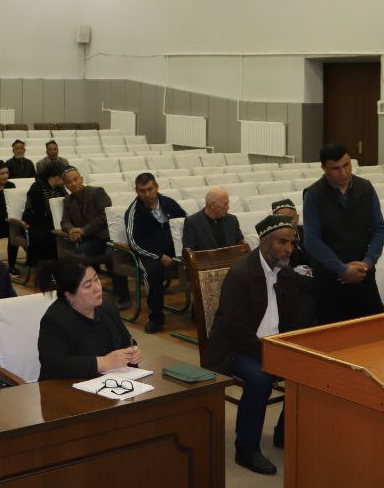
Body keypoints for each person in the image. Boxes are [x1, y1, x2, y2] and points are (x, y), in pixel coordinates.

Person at [205, 215, 312, 475]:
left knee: (307, 368)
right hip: (234, 348)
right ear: (265, 242)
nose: (289, 249)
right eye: (282, 242)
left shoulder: (285, 273)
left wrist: (288, 350)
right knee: (261, 378)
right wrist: (268, 355)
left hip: (272, 346)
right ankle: (246, 449)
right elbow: (235, 328)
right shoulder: (241, 274)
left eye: (292, 243)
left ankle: (284, 433)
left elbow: (294, 317)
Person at [302, 142, 384, 324]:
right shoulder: (313, 195)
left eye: (347, 165)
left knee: (374, 330)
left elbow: (379, 228)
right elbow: (311, 240)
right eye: (336, 168)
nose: (344, 172)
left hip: (363, 274)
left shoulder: (366, 188)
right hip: (330, 280)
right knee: (334, 335)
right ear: (324, 169)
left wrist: (367, 263)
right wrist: (342, 269)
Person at [37, 255, 141, 380]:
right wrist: (104, 362)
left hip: (108, 383)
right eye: (87, 285)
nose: (97, 288)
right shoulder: (55, 319)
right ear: (69, 295)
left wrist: (132, 351)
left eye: (96, 279)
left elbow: (126, 341)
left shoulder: (107, 306)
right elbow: (54, 365)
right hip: (64, 387)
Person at [123, 173, 187, 333]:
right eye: (142, 191)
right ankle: (156, 317)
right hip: (148, 253)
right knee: (153, 271)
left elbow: (185, 223)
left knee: (195, 262)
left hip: (174, 250)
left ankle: (197, 311)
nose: (147, 194)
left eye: (150, 189)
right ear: (136, 191)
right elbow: (134, 242)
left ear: (156, 187)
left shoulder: (169, 203)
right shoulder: (133, 212)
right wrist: (159, 256)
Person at [61, 167, 130, 308]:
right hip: (91, 240)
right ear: (65, 185)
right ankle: (85, 292)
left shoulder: (97, 192)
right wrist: (71, 230)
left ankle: (123, 296)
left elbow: (105, 216)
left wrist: (83, 230)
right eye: (69, 182)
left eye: (75, 179)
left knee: (112, 256)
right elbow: (64, 222)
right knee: (78, 255)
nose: (73, 183)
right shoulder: (67, 200)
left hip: (107, 237)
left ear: (81, 179)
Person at [22, 163, 67, 267]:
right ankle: (48, 265)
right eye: (63, 178)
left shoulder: (60, 187)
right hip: (36, 221)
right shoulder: (37, 187)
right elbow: (40, 212)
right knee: (48, 234)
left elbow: (67, 202)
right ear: (56, 177)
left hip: (54, 219)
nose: (65, 181)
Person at [182, 187, 244, 252]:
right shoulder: (193, 223)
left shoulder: (232, 220)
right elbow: (189, 252)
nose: (228, 207)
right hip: (206, 258)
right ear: (213, 205)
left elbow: (241, 246)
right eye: (225, 204)